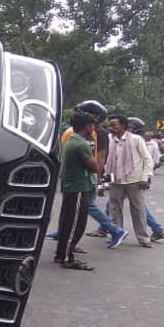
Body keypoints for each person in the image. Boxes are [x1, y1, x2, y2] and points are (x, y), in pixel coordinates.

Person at [54, 111, 101, 269]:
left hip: (73, 187)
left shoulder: (73, 140)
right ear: (87, 126)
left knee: (69, 222)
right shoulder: (80, 144)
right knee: (75, 225)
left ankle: (61, 254)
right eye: (92, 124)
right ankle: (67, 258)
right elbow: (94, 167)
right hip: (78, 188)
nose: (93, 128)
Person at [103, 114, 154, 248]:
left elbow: (147, 159)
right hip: (116, 180)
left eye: (114, 125)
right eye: (110, 125)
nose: (111, 128)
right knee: (115, 209)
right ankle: (117, 234)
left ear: (124, 126)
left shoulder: (136, 140)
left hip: (134, 180)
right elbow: (106, 158)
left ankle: (143, 238)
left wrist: (144, 177)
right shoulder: (109, 139)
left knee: (138, 210)